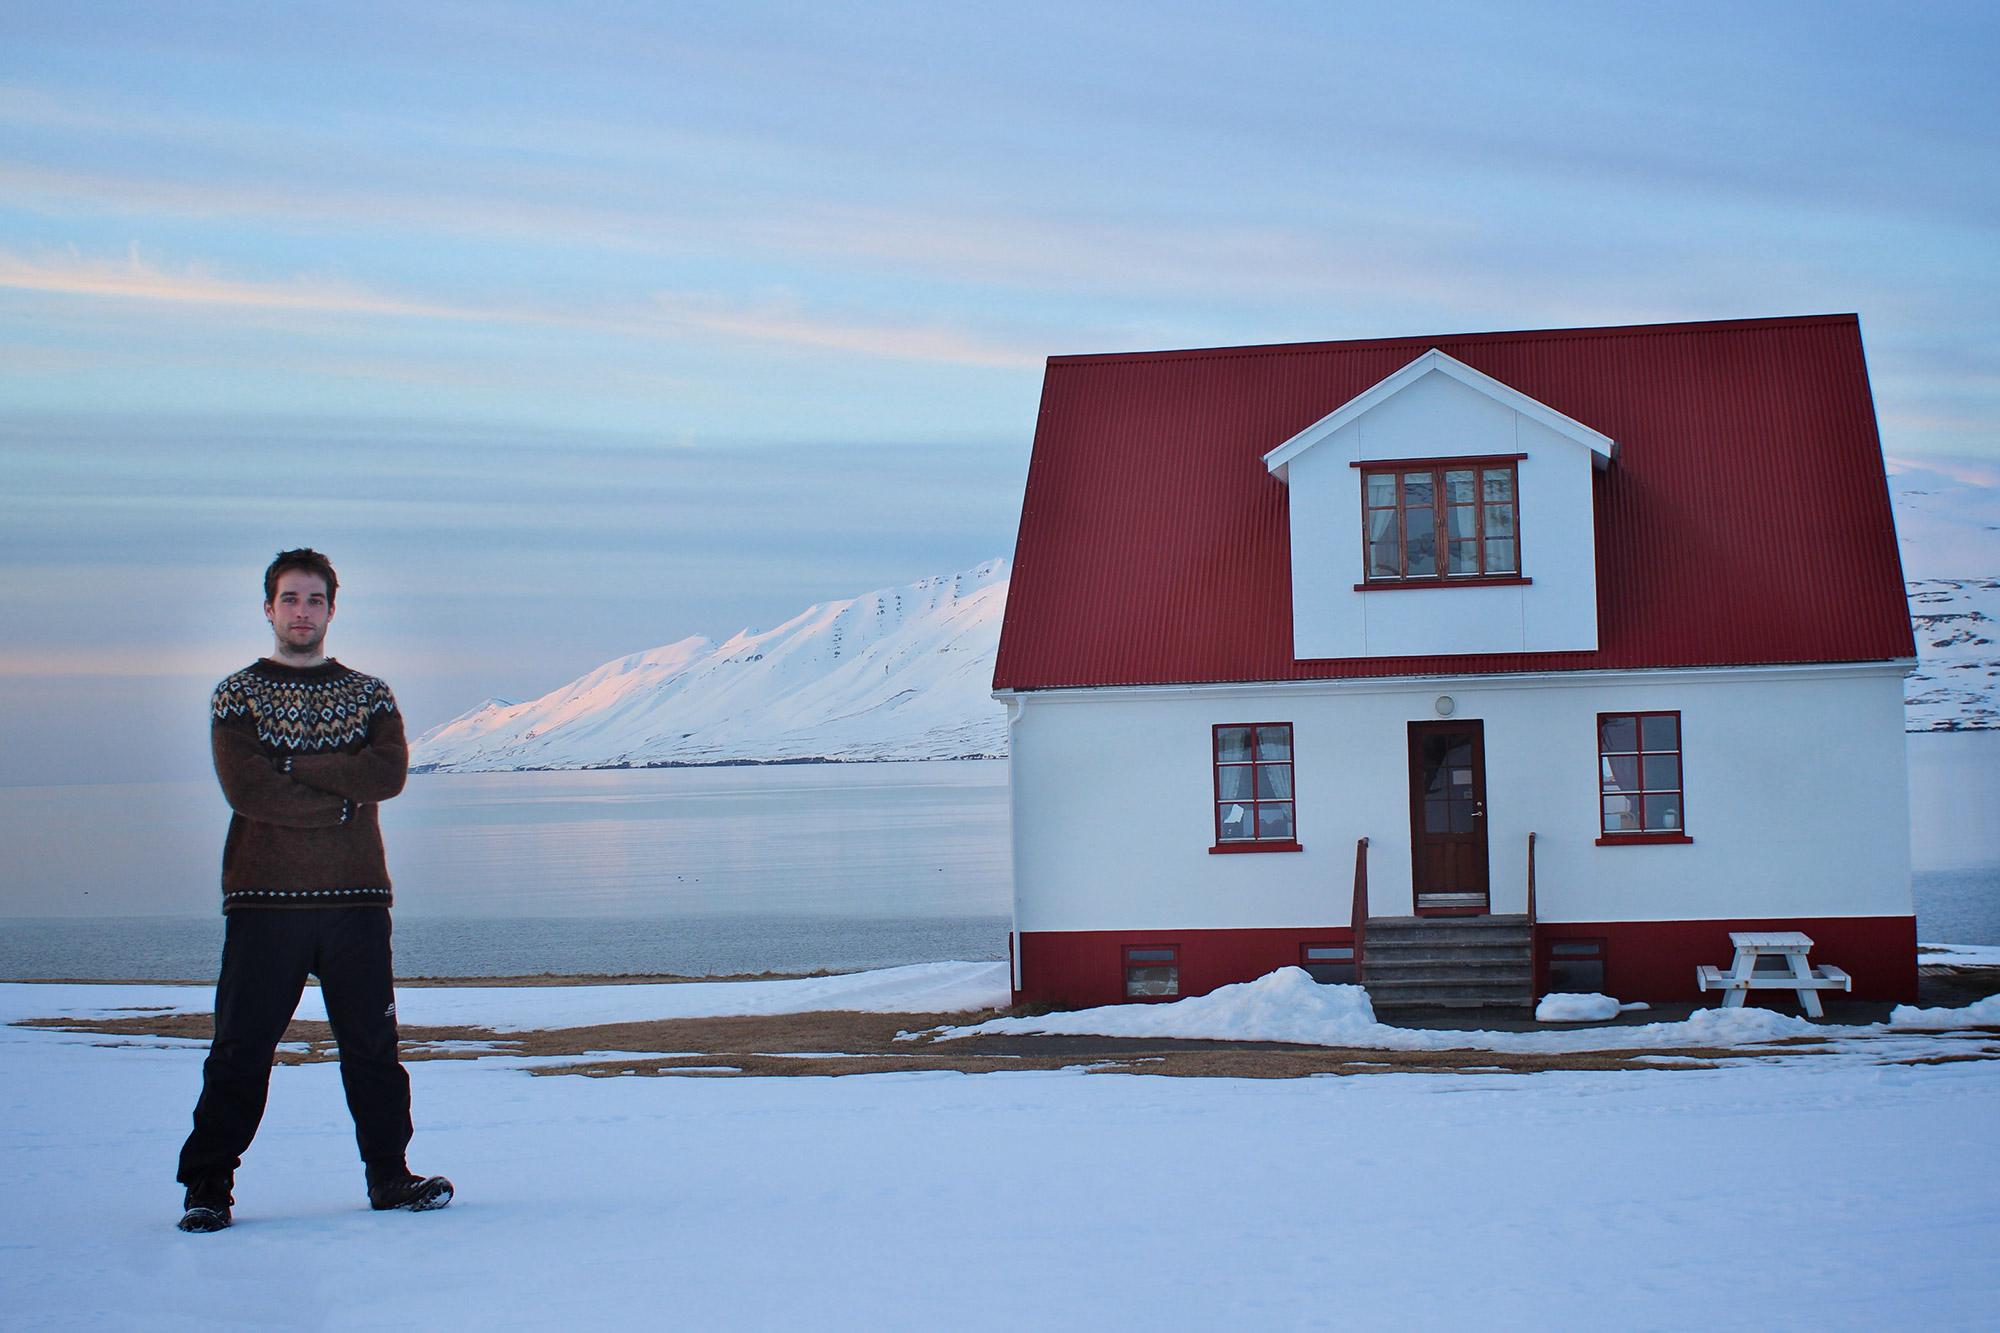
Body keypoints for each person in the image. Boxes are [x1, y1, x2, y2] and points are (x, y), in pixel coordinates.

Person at [175, 548, 451, 1233]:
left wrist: (292, 762)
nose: (303, 611)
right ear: (268, 607)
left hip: (357, 899)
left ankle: (390, 1174)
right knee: (241, 1047)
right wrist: (334, 797)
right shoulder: (236, 695)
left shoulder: (371, 694)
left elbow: (386, 774)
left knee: (374, 1048)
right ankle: (208, 1187)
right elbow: (247, 788)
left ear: (333, 607)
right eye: (290, 598)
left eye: (315, 599)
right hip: (263, 900)